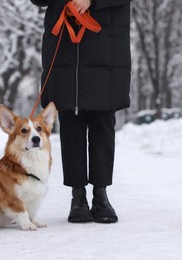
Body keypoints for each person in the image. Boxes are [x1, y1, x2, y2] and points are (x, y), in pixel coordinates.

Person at [29, 0, 131, 223]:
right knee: (71, 124)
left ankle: (100, 194)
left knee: (103, 123)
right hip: (66, 50)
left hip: (107, 49)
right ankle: (78, 196)